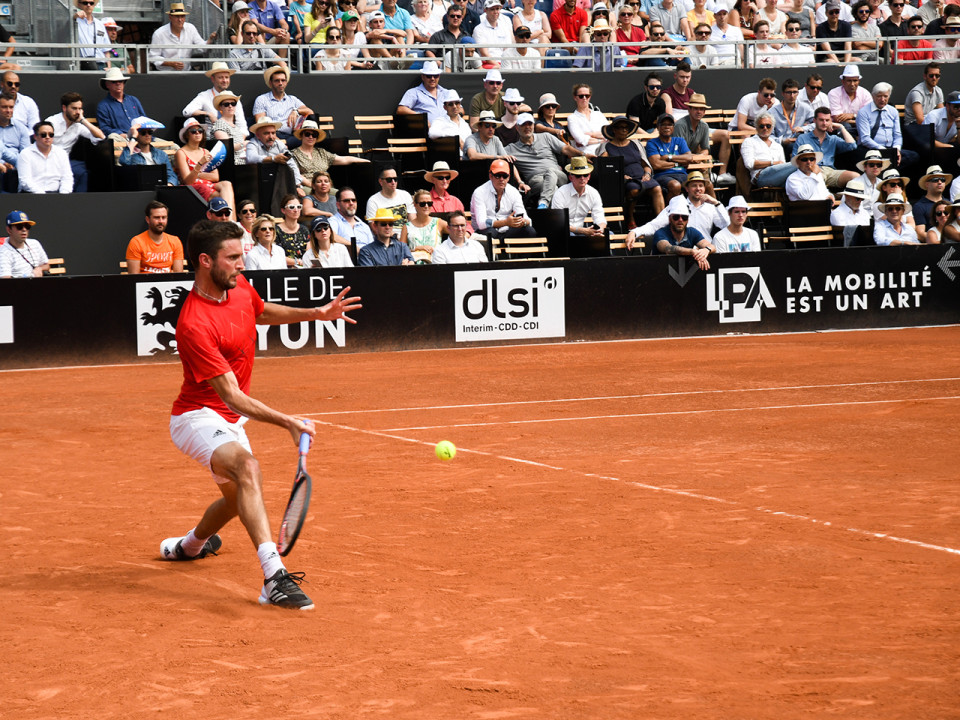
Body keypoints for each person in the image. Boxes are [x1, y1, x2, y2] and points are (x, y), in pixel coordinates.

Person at [163, 219, 360, 610]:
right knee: (249, 469)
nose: (242, 264)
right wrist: (288, 420)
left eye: (242, 256)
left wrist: (317, 313)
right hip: (197, 416)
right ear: (205, 261)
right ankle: (274, 577)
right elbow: (232, 396)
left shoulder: (237, 288)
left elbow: (261, 311)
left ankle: (189, 546)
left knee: (239, 502)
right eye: (233, 257)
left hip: (230, 419)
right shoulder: (193, 323)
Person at [627, 170, 728, 247]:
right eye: (694, 186)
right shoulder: (678, 204)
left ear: (704, 189)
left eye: (701, 186)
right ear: (687, 188)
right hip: (683, 250)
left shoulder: (711, 207)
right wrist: (635, 232)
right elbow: (655, 225)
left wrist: (717, 203)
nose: (698, 189)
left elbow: (727, 226)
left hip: (706, 250)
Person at [508, 112, 583, 209]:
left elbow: (565, 149)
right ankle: (559, 219)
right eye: (523, 124)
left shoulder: (545, 137)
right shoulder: (511, 149)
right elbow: (500, 157)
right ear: (517, 128)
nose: (527, 127)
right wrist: (520, 182)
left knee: (550, 171)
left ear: (533, 126)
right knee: (553, 188)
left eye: (530, 124)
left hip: (558, 175)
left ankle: (543, 204)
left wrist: (583, 154)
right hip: (536, 180)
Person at [598, 115, 664, 223]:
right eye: (620, 127)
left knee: (657, 188)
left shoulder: (635, 143)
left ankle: (661, 222)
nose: (624, 130)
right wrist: (620, 176)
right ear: (614, 129)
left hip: (642, 176)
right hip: (623, 179)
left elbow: (646, 164)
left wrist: (647, 174)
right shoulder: (606, 147)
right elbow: (604, 168)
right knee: (634, 189)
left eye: (626, 127)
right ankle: (629, 217)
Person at [46, 91, 105, 194]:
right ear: (64, 108)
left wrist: (83, 120)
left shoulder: (78, 125)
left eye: (80, 108)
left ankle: (78, 201)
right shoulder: (52, 122)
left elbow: (101, 137)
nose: (77, 112)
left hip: (66, 162)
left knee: (84, 172)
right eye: (74, 108)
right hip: (49, 161)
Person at [856, 82, 919, 174]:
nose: (882, 99)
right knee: (875, 159)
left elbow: (897, 135)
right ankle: (887, 170)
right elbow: (865, 139)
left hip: (891, 149)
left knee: (913, 156)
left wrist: (896, 150)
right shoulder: (863, 112)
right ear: (873, 96)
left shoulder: (893, 111)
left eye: (885, 96)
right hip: (872, 149)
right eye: (879, 96)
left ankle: (889, 171)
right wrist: (885, 151)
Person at [175, 117, 235, 211]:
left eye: (200, 130)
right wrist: (200, 164)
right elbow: (188, 181)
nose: (198, 133)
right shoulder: (181, 153)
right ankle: (229, 220)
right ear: (187, 135)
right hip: (194, 189)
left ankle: (229, 220)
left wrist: (196, 174)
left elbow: (215, 177)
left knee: (226, 184)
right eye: (193, 131)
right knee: (224, 197)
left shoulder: (205, 151)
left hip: (208, 185)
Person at [793, 106, 858, 190]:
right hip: (811, 170)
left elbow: (852, 146)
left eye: (827, 120)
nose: (824, 123)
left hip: (830, 171)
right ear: (814, 121)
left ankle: (843, 200)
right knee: (817, 178)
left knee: (856, 177)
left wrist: (841, 127)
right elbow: (795, 160)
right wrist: (812, 168)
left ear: (831, 121)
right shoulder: (803, 138)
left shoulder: (833, 139)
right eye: (821, 120)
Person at [470, 158, 536, 241]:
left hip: (506, 230)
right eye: (498, 175)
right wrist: (505, 222)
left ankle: (521, 254)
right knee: (491, 233)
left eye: (505, 176)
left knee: (529, 231)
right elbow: (482, 223)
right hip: (484, 231)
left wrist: (522, 222)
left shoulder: (513, 192)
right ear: (491, 176)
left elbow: (526, 218)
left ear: (508, 177)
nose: (501, 179)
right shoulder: (479, 192)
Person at [253, 66, 313, 146]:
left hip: (291, 136)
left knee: (304, 138)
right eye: (277, 81)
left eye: (283, 80)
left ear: (286, 82)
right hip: (271, 136)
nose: (280, 83)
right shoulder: (262, 99)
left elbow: (310, 112)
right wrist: (277, 141)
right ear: (271, 83)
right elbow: (261, 125)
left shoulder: (292, 99)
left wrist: (296, 111)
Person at [182, 63, 247, 136]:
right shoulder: (205, 96)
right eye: (220, 77)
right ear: (213, 79)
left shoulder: (234, 98)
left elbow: (242, 126)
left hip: (234, 139)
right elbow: (187, 111)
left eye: (226, 77)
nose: (224, 80)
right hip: (212, 140)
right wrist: (208, 114)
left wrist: (239, 143)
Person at [651, 196, 715, 270]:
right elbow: (668, 249)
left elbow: (712, 246)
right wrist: (693, 252)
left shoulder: (692, 232)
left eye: (684, 217)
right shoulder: (660, 233)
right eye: (676, 217)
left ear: (687, 220)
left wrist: (705, 250)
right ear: (669, 219)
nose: (680, 220)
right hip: (658, 271)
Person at [551, 156, 606, 241]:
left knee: (609, 235)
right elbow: (559, 224)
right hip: (563, 232)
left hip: (583, 232)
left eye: (585, 175)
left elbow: (599, 217)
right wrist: (583, 231)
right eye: (578, 175)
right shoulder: (561, 193)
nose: (582, 178)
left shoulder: (593, 193)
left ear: (589, 176)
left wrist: (600, 229)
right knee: (571, 237)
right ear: (570, 177)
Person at [125, 201, 184, 274]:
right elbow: (134, 277)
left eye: (164, 217)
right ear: (147, 220)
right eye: (157, 218)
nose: (161, 221)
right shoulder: (136, 242)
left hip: (167, 283)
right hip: (145, 283)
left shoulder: (175, 241)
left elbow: (178, 276)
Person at [149, 2, 211, 71]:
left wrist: (210, 40)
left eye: (182, 16)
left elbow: (202, 47)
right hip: (165, 74)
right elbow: (153, 57)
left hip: (186, 72)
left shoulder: (190, 28)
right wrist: (171, 63)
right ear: (170, 17)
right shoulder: (159, 33)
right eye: (177, 16)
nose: (180, 20)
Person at [245, 119, 304, 190]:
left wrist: (297, 185)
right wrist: (273, 159)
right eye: (266, 133)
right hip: (258, 183)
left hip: (278, 182)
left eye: (273, 133)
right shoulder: (253, 143)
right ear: (258, 135)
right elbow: (251, 158)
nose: (271, 137)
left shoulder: (279, 144)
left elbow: (292, 164)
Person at [646, 113, 694, 200]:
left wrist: (669, 157)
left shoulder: (679, 140)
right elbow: (657, 165)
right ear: (658, 127)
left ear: (673, 127)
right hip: (663, 176)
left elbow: (689, 158)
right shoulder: (652, 143)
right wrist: (678, 163)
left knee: (707, 184)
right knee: (675, 185)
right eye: (663, 124)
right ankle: (670, 212)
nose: (667, 127)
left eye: (669, 124)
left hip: (682, 174)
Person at [742, 111, 794, 187]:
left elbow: (782, 165)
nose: (765, 128)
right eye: (761, 126)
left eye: (768, 126)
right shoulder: (749, 141)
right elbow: (749, 164)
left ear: (772, 127)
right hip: (761, 176)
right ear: (756, 127)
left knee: (798, 180)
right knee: (798, 163)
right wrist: (773, 163)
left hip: (778, 175)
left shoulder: (777, 145)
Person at [18, 121, 72, 194]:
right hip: (31, 195)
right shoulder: (25, 154)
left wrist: (64, 194)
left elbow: (67, 178)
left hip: (55, 194)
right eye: (43, 135)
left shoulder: (61, 153)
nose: (47, 137)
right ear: (35, 137)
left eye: (51, 134)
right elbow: (25, 181)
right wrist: (42, 195)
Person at [119, 121, 179, 186]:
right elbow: (124, 161)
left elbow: (171, 176)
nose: (147, 135)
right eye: (143, 133)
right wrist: (133, 138)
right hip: (142, 190)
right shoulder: (131, 155)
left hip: (160, 188)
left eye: (150, 132)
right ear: (137, 135)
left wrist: (169, 185)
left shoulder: (161, 154)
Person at [96, 67, 146, 140]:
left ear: (123, 83)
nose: (118, 83)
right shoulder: (103, 106)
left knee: (167, 144)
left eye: (120, 81)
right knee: (113, 137)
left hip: (141, 137)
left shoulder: (133, 100)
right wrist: (123, 135)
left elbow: (144, 119)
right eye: (114, 81)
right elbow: (105, 128)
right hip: (122, 139)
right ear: (107, 85)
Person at [0, 211, 49, 278]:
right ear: (9, 230)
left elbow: (46, 265)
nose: (24, 230)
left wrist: (40, 268)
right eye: (19, 227)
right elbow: (5, 280)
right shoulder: (3, 253)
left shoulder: (35, 243)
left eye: (27, 226)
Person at [405, 189, 447, 262]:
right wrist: (416, 249)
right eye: (422, 204)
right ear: (415, 205)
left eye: (429, 203)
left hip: (436, 262)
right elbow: (401, 251)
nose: (426, 206)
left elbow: (456, 231)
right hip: (415, 265)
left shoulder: (439, 222)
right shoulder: (407, 227)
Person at [567, 83, 608, 156]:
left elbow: (608, 132)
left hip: (603, 149)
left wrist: (592, 134)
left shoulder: (598, 114)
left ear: (590, 97)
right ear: (575, 98)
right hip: (587, 153)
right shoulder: (572, 118)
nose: (584, 98)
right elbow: (581, 139)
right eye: (581, 96)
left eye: (587, 95)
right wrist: (601, 139)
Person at [210, 91, 249, 166]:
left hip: (242, 164)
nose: (230, 106)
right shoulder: (219, 124)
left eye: (233, 104)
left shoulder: (236, 127)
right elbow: (227, 147)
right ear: (220, 107)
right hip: (229, 165)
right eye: (226, 104)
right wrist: (243, 144)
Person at [828, 64, 871, 130]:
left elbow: (868, 117)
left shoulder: (865, 94)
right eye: (849, 81)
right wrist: (858, 119)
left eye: (855, 80)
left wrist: (853, 115)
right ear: (843, 81)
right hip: (839, 128)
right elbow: (838, 119)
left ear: (859, 81)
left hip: (861, 127)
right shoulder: (834, 93)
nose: (852, 84)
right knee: (846, 126)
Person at [475, 0, 515, 66]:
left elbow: (508, 49)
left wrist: (506, 64)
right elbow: (484, 54)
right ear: (485, 11)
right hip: (488, 64)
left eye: (497, 9)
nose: (495, 12)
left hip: (504, 63)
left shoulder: (504, 28)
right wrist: (500, 66)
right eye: (492, 9)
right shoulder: (479, 29)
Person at [913, 165, 951, 232]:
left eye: (942, 180)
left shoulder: (950, 204)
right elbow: (920, 233)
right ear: (927, 184)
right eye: (935, 180)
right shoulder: (919, 206)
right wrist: (936, 240)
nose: (940, 182)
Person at [75, 0, 109, 70]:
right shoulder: (75, 22)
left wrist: (109, 67)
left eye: (91, 3)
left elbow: (106, 49)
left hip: (101, 64)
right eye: (85, 3)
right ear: (79, 5)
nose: (88, 5)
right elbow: (66, 27)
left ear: (94, 5)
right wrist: (75, 16)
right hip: (83, 63)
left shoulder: (100, 24)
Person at [855, 148, 889, 216]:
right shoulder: (855, 183)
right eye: (871, 165)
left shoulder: (882, 183)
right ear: (865, 166)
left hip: (878, 218)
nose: (875, 167)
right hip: (860, 218)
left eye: (878, 165)